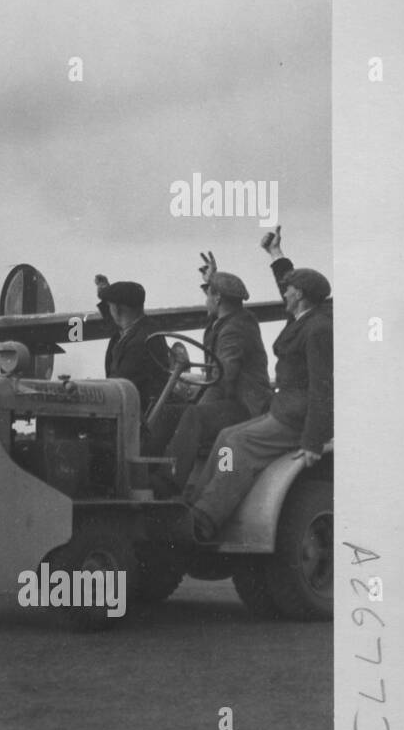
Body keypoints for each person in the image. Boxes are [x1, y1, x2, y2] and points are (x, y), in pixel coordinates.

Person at [187, 228, 333, 540]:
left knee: (238, 444)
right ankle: (194, 504)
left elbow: (323, 387)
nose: (285, 291)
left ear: (301, 296)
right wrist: (275, 254)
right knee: (227, 435)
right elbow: (289, 279)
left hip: (297, 418)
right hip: (285, 409)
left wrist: (312, 442)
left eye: (289, 289)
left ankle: (206, 518)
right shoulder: (303, 317)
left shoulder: (318, 328)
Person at [147, 252, 272, 497]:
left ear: (218, 298)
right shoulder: (227, 320)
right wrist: (213, 278)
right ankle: (146, 469)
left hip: (244, 406)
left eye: (209, 293)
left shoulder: (235, 330)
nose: (205, 299)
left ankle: (168, 484)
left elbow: (223, 379)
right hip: (229, 399)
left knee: (194, 416)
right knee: (169, 410)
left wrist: (197, 404)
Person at [93, 276, 170, 414]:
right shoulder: (141, 328)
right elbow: (115, 321)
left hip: (136, 415)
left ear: (117, 309)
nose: (109, 310)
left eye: (110, 305)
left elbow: (118, 388)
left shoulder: (139, 344)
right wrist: (107, 294)